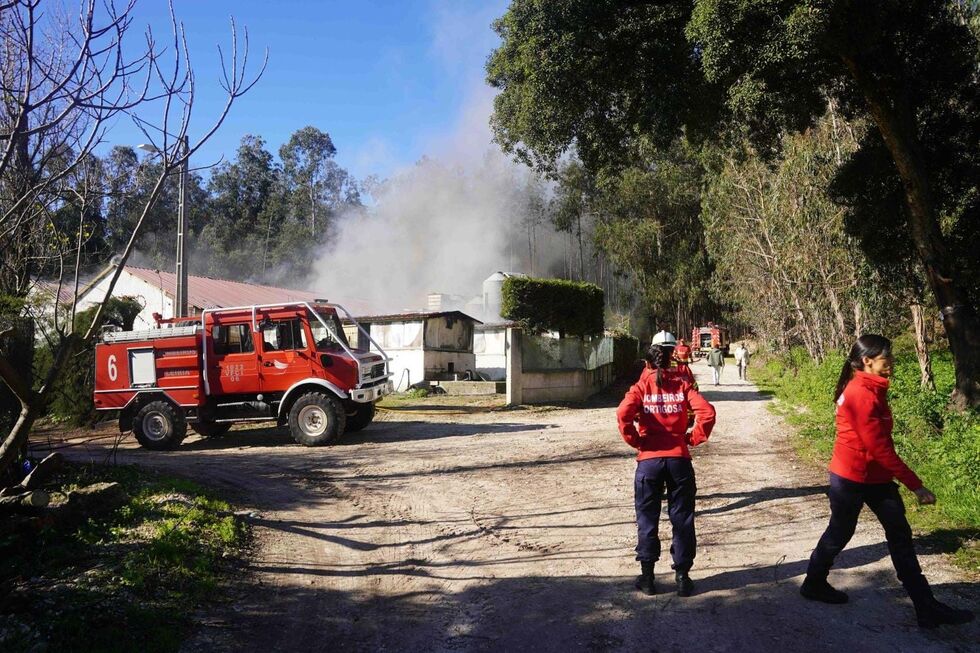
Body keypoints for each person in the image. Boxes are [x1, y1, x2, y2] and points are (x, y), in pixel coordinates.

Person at [800, 335, 974, 629]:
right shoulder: (860, 393)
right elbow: (880, 449)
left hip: (875, 476)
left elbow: (878, 448)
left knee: (900, 535)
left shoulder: (871, 388)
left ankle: (925, 606)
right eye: (886, 359)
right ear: (867, 361)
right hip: (852, 477)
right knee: (840, 532)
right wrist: (915, 485)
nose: (891, 363)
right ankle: (814, 582)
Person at [617, 331, 716, 597]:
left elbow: (623, 413)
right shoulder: (682, 383)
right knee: (682, 518)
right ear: (673, 354)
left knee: (647, 517)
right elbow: (707, 413)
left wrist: (636, 441)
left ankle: (648, 579)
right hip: (679, 461)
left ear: (650, 355)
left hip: (648, 462)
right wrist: (692, 438)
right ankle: (682, 577)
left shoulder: (641, 385)